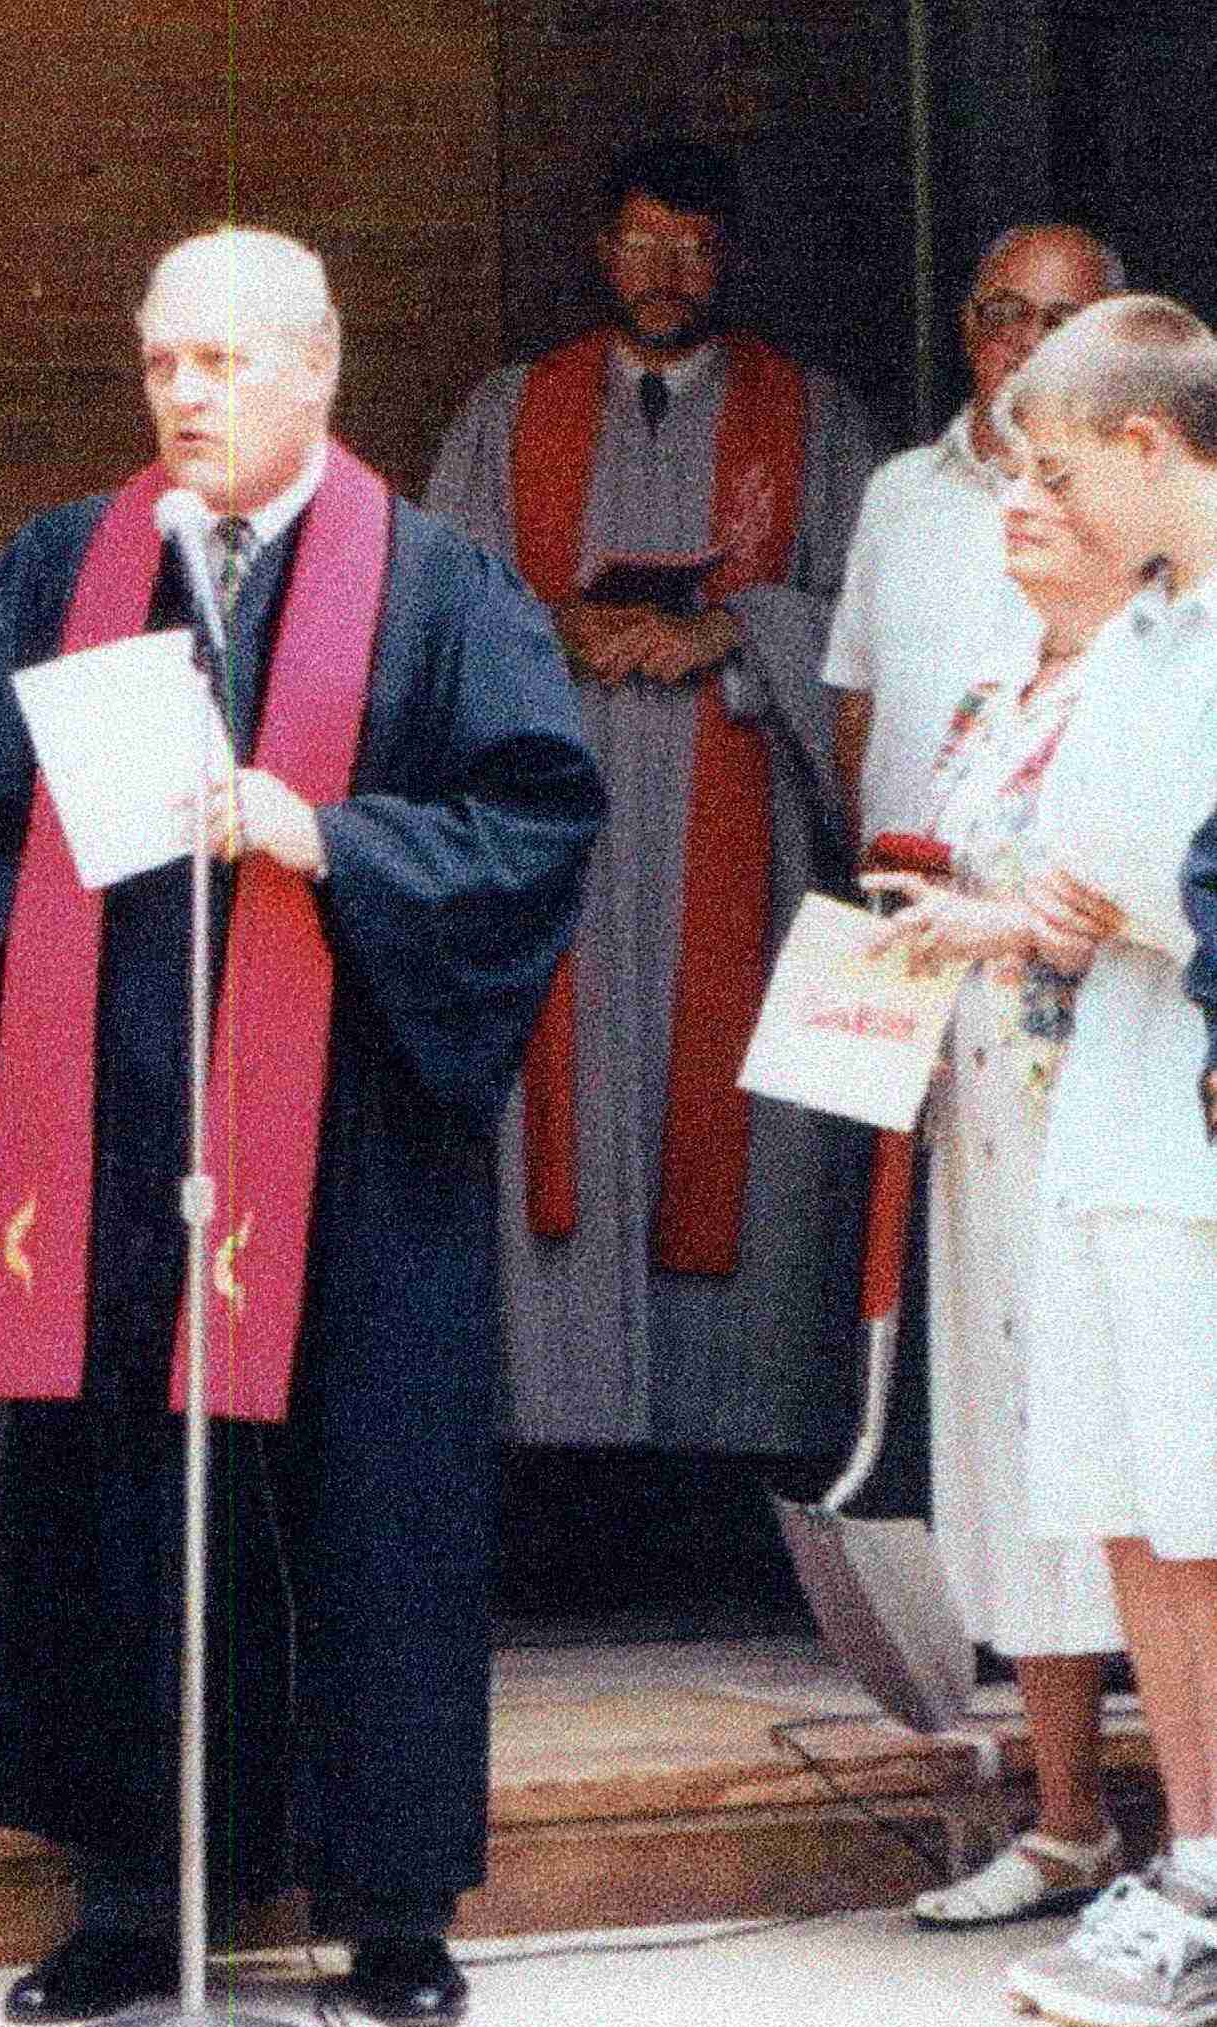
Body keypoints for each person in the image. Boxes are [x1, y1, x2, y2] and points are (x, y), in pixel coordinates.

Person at [0, 227, 601, 2027]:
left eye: (220, 364)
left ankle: (393, 1905)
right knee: (131, 1504)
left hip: (350, 1141)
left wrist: (331, 840)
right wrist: (50, 1023)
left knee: (371, 1501)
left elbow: (534, 829)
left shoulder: (437, 587)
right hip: (118, 1125)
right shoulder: (63, 571)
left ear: (316, 371)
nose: (183, 396)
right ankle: (135, 1897)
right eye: (160, 364)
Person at [425, 136, 882, 1483]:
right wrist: (554, 623)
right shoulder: (511, 412)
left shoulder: (818, 417)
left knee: (744, 1137)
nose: (665, 268)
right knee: (563, 1133)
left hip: (744, 834)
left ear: (727, 254)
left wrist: (734, 635)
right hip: (567, 842)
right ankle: (567, 1482)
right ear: (601, 250)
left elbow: (867, 634)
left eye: (691, 241)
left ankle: (731, 1483)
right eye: (640, 238)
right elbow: (443, 610)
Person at [980, 296, 1217, 2027]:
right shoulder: (1141, 636)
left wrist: (1119, 904)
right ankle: (1196, 1850)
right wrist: (1047, 911)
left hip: (1196, 1119)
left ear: (1150, 447)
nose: (1047, 501)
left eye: (1067, 468)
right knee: (1144, 1511)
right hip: (1115, 1112)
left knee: (1209, 1514)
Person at [863, 467, 1137, 1929]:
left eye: (1058, 477)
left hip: (1103, 1113)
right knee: (1010, 1448)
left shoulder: (1153, 680)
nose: (1020, 499)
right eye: (1014, 475)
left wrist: (992, 923)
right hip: (978, 1117)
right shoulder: (992, 694)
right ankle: (1069, 1815)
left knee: (1138, 1464)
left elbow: (1119, 906)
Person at [826, 225, 1124, 848]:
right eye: (1004, 314)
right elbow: (858, 706)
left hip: (1049, 911)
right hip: (903, 891)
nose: (1028, 343)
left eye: (1062, 322)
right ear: (967, 326)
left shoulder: (1132, 509)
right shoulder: (898, 491)